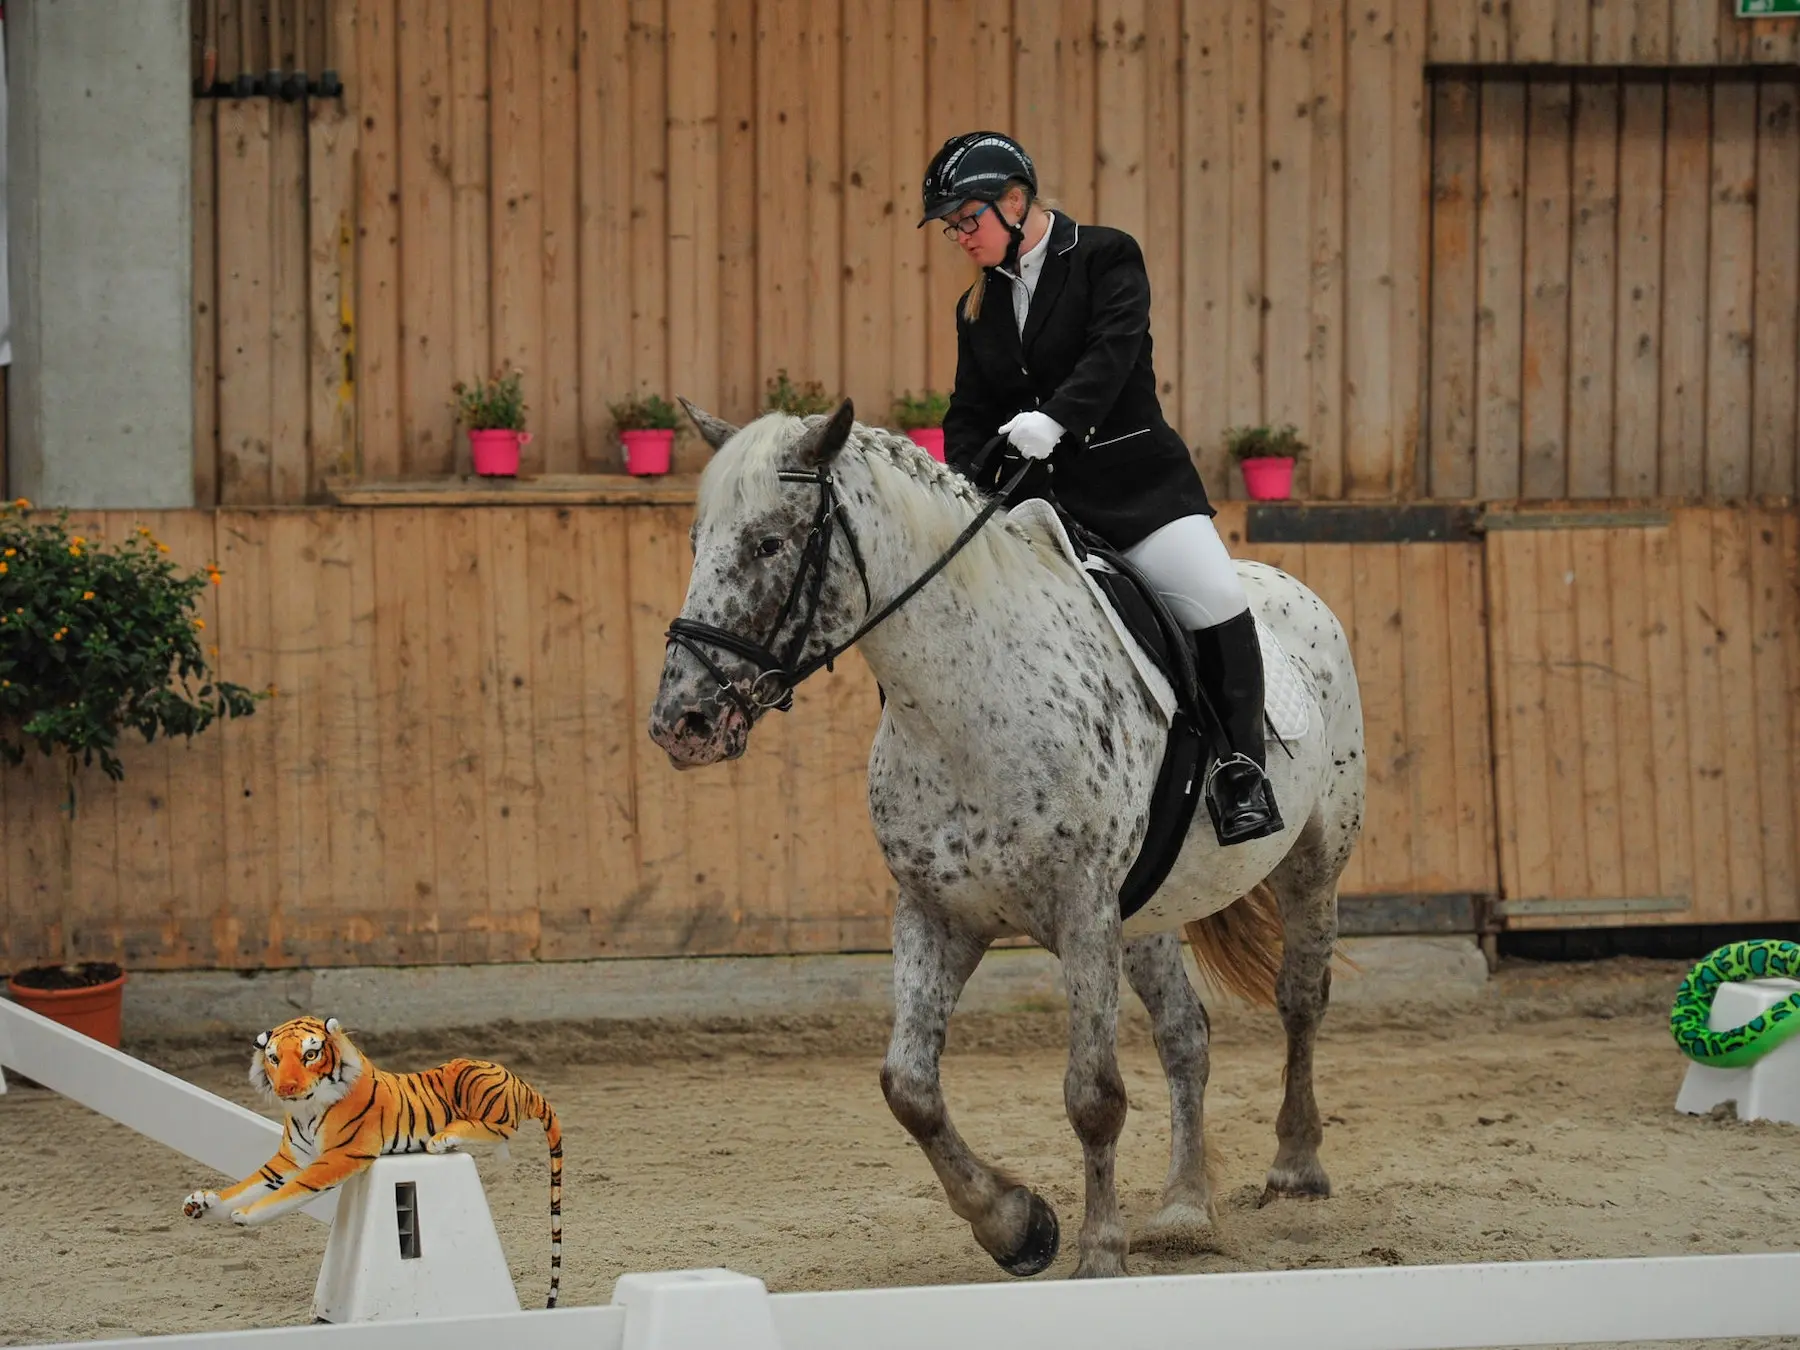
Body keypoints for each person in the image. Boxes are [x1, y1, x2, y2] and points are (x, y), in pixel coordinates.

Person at [918, 130, 1282, 847]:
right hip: (1041, 510)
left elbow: (1113, 352)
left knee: (1214, 592)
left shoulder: (1106, 255)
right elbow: (966, 412)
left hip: (1134, 489)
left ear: (1014, 202)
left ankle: (1241, 770)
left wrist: (1057, 420)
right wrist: (958, 490)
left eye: (969, 219)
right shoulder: (978, 306)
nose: (960, 236)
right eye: (953, 226)